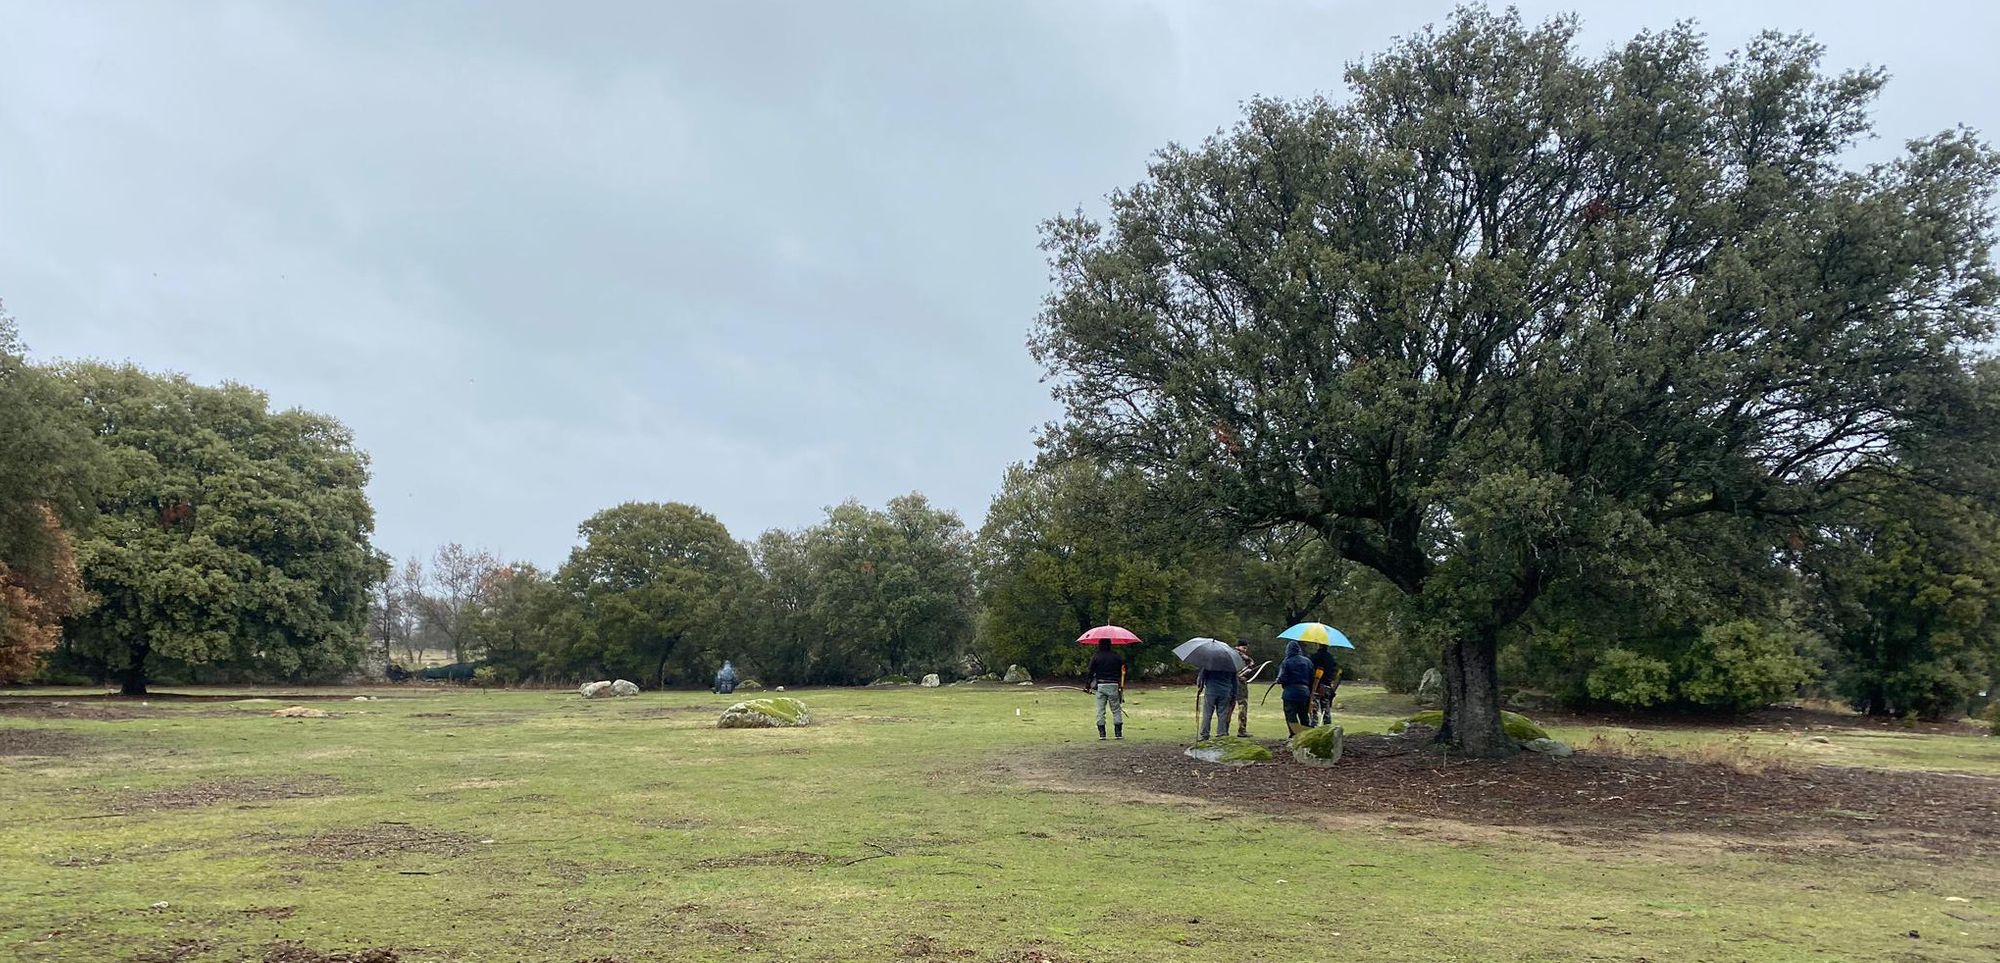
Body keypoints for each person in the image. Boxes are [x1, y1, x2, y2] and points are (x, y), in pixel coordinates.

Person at [1087, 639, 1127, 740]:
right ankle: (1118, 733)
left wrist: (1088, 685)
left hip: (1101, 685)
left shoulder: (1096, 656)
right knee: (1116, 709)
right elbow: (1124, 669)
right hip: (1114, 685)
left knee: (1100, 710)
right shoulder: (1117, 656)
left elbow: (1090, 671)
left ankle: (1102, 734)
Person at [1277, 640, 1315, 736]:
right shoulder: (1307, 661)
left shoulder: (1286, 661)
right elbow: (1312, 678)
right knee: (1304, 715)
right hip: (1305, 693)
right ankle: (1305, 735)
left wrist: (1278, 680)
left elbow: (1282, 678)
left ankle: (1294, 734)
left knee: (1291, 716)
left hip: (1290, 693)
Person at [1196, 659, 1236, 742]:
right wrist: (1234, 694)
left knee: (1207, 713)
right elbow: (1235, 681)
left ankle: (1204, 734)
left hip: (1211, 691)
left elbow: (1201, 678)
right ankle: (1221, 734)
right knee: (1222, 714)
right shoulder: (1231, 666)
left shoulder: (1210, 664)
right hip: (1225, 692)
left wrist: (1200, 686)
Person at [1308, 643, 1341, 726]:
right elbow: (1335, 672)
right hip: (1327, 685)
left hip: (1317, 685)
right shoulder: (1331, 658)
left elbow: (1311, 670)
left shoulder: (1314, 657)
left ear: (1319, 645)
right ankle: (1328, 726)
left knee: (1314, 708)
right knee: (1326, 709)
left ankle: (1314, 725)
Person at [1231, 643, 1255, 737]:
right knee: (1242, 706)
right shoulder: (1242, 657)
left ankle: (1223, 730)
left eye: (1246, 648)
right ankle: (1241, 730)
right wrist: (1240, 676)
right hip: (1238, 685)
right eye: (1243, 647)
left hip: (1231, 684)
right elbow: (1251, 663)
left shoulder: (1229, 655)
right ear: (1237, 646)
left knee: (1230, 706)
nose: (1245, 650)